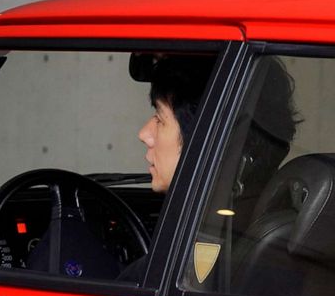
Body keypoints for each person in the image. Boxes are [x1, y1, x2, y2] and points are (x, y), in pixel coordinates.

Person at [121, 54, 297, 282]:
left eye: (160, 119)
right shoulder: (255, 223)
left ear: (206, 141)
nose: (144, 134)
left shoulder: (209, 243)